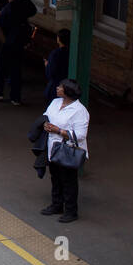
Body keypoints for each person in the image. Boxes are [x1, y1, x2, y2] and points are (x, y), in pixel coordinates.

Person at [41, 78, 89, 222]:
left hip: (68, 150)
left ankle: (71, 211)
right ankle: (56, 205)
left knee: (68, 181)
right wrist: (46, 125)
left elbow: (80, 135)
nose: (57, 88)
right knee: (55, 177)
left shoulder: (80, 111)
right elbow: (46, 116)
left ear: (67, 92)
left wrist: (58, 130)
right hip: (53, 147)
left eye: (60, 87)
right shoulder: (55, 103)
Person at [0, 0, 36, 105]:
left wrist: (0, 15)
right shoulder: (24, 2)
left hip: (8, 42)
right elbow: (32, 11)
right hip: (20, 41)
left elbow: (2, 25)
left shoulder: (9, 8)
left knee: (0, 67)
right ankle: (15, 97)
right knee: (16, 69)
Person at [44, 29, 70, 107]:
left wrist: (47, 65)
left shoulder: (55, 54)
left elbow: (50, 73)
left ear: (59, 39)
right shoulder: (72, 52)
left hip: (56, 86)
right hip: (68, 85)